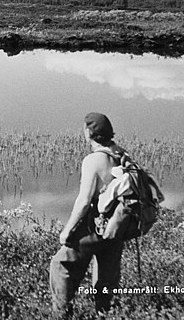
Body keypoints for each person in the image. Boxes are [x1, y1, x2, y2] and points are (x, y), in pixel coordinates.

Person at [49, 112, 125, 318]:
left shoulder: (93, 160)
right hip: (117, 227)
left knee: (60, 264)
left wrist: (67, 231)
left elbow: (83, 202)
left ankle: (62, 314)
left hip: (97, 226)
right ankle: (105, 314)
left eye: (85, 129)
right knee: (105, 279)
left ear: (90, 133)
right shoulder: (120, 154)